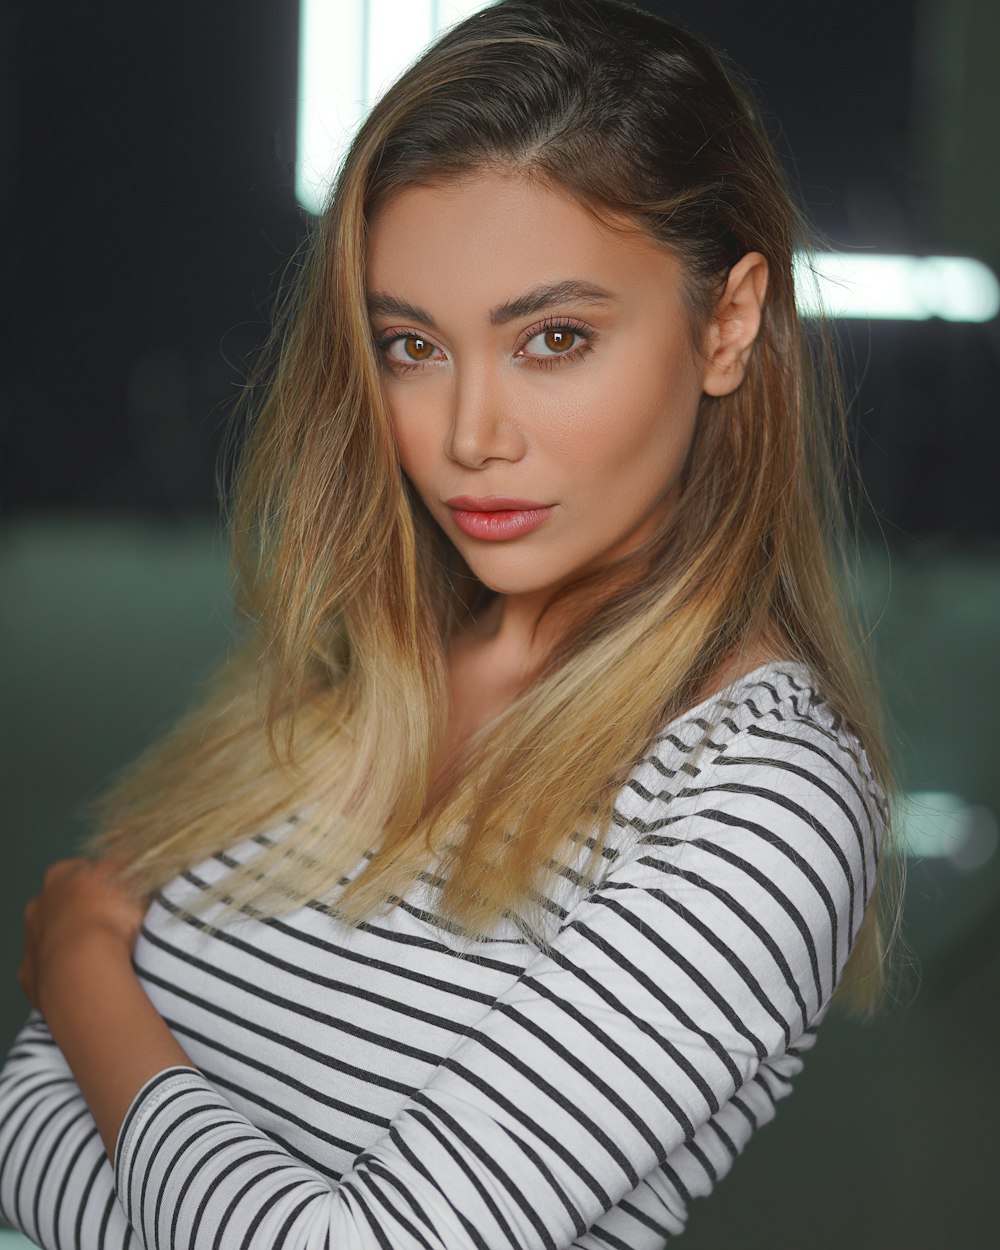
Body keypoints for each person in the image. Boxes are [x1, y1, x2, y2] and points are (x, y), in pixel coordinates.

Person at [0, 1, 899, 1245]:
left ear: (726, 323)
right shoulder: (355, 670)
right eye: (413, 344)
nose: (471, 433)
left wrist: (86, 973)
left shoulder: (758, 797)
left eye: (555, 338)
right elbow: (18, 1127)